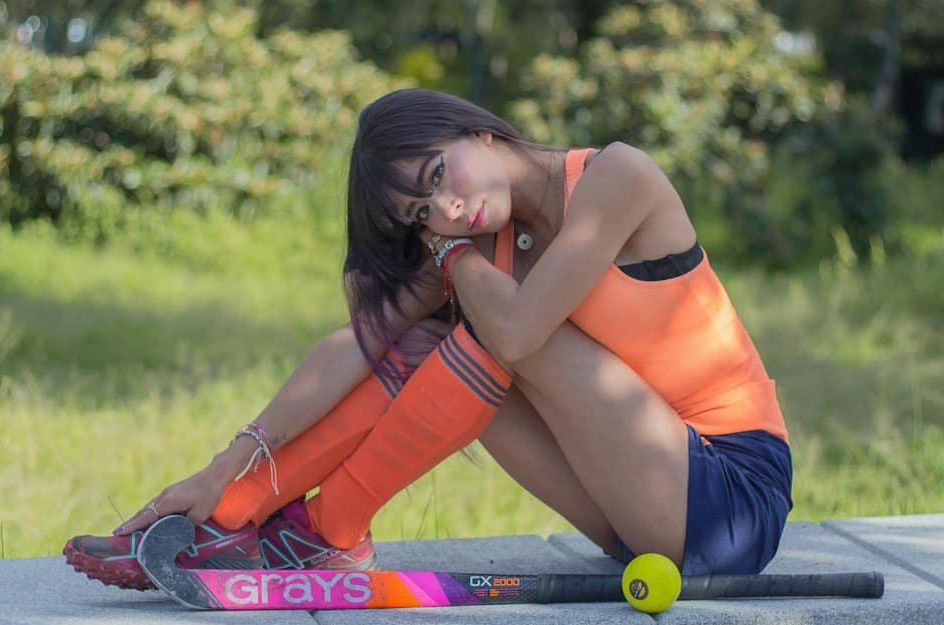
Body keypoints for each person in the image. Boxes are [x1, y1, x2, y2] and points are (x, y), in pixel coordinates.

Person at [65, 88, 792, 590]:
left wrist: (445, 254)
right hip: (630, 518)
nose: (447, 208)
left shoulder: (615, 177)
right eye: (422, 212)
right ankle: (237, 518)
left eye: (440, 173)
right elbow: (358, 342)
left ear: (477, 129)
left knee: (494, 329)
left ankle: (326, 524)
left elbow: (514, 329)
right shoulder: (476, 248)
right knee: (418, 341)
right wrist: (220, 472)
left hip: (731, 497)